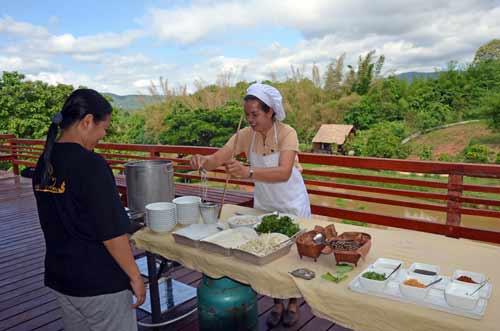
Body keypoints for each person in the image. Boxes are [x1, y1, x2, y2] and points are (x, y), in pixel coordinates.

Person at [190, 83, 311, 327]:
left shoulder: (288, 133)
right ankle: (277, 303)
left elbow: (285, 172)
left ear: (270, 112)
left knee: (292, 258)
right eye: (247, 114)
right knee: (267, 253)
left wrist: (248, 172)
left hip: (291, 201)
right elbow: (218, 158)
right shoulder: (245, 135)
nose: (250, 119)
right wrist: (203, 162)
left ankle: (294, 303)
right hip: (265, 204)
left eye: (255, 114)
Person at [32, 89, 145, 331]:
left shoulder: (46, 160)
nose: (103, 135)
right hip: (100, 283)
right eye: (104, 128)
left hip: (63, 280)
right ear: (87, 122)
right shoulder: (91, 164)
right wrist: (135, 276)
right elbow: (111, 233)